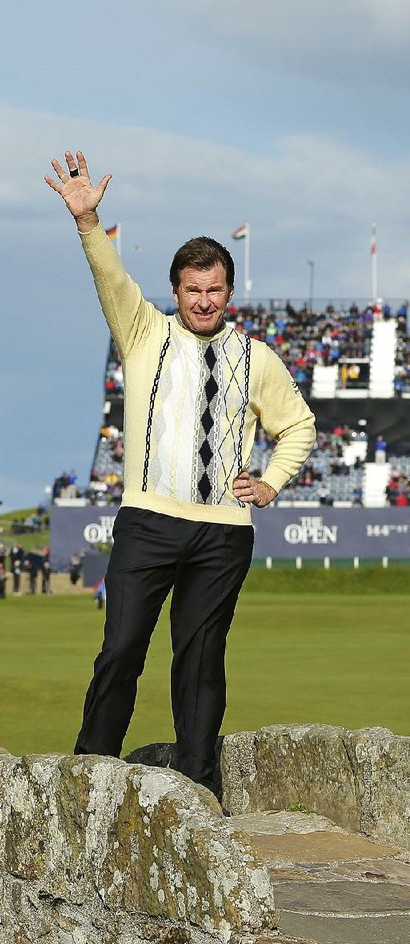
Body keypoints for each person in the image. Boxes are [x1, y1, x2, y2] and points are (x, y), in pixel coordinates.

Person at [46, 150, 316, 793]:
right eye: (192, 290)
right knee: (121, 649)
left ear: (229, 291)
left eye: (214, 289)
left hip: (223, 533)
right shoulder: (143, 332)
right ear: (176, 293)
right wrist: (88, 222)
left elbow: (298, 426)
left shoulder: (257, 357)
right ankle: (90, 779)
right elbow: (111, 280)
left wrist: (272, 482)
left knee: (200, 663)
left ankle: (198, 790)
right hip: (149, 523)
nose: (203, 300)